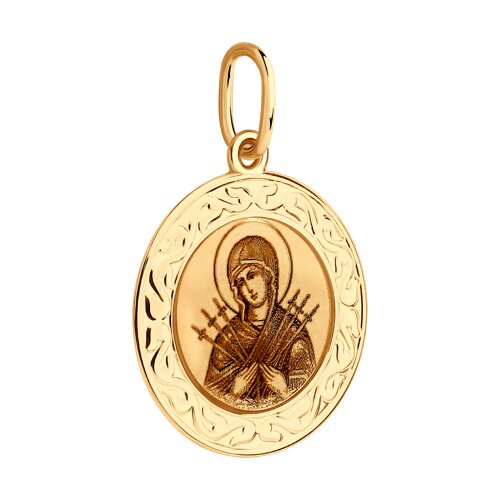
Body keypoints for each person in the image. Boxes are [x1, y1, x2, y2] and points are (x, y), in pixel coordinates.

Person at [204, 235, 316, 408]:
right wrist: (234, 393)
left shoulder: (293, 335)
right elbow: (210, 403)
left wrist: (283, 390)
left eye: (252, 275)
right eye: (240, 282)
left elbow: (306, 405)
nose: (248, 288)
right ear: (237, 290)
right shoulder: (227, 340)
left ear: (269, 275)